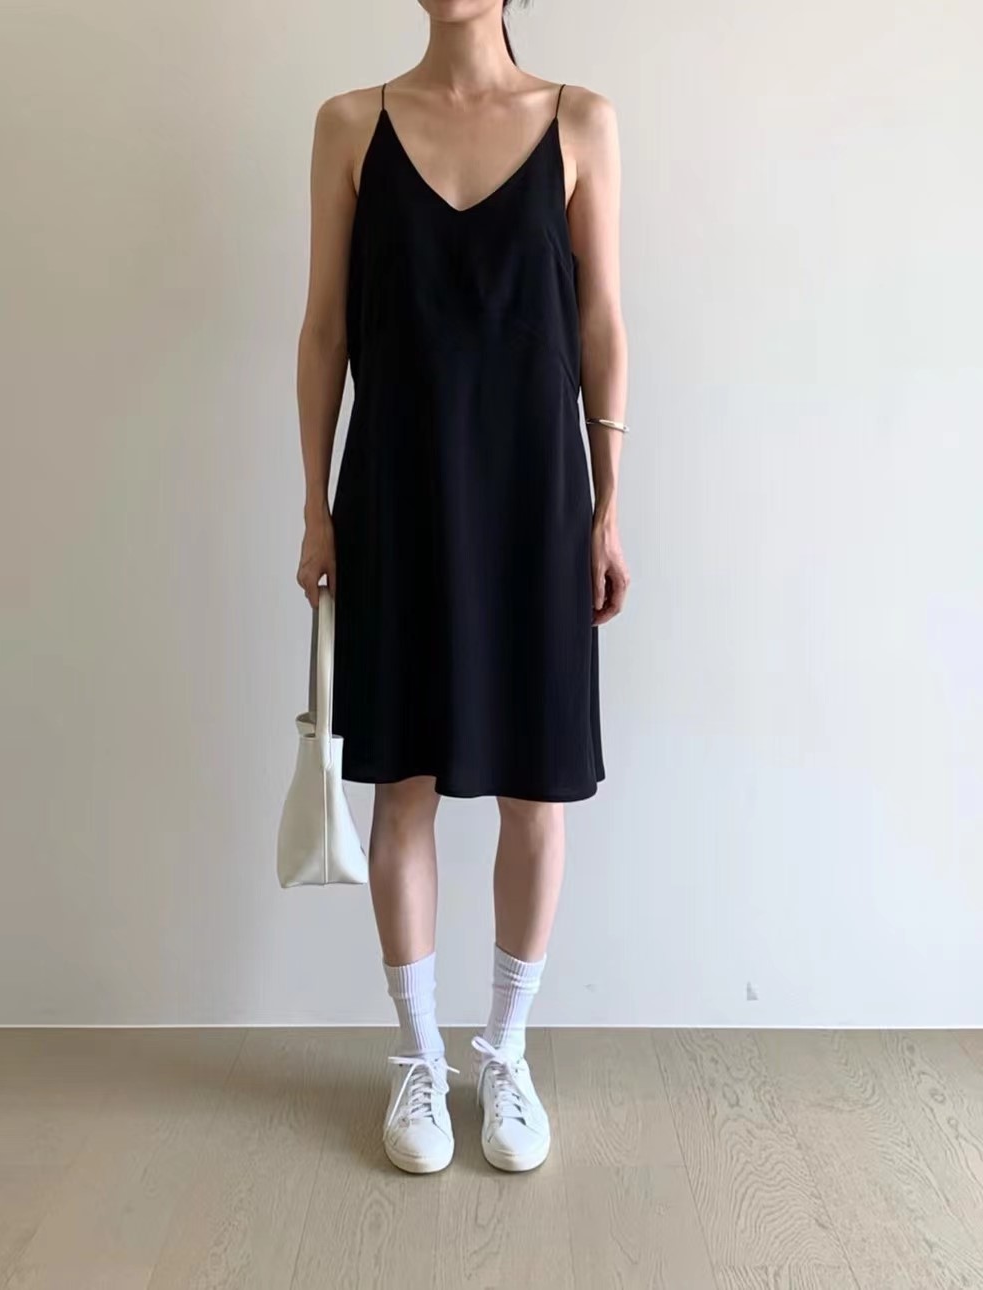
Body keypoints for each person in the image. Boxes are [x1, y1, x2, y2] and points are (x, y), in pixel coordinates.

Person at [294, 0, 629, 1174]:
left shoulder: (581, 121)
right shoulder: (349, 124)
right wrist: (314, 505)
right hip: (396, 492)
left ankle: (506, 1050)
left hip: (536, 498)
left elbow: (601, 322)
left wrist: (608, 505)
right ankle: (421, 1059)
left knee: (537, 791)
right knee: (405, 788)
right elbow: (325, 330)